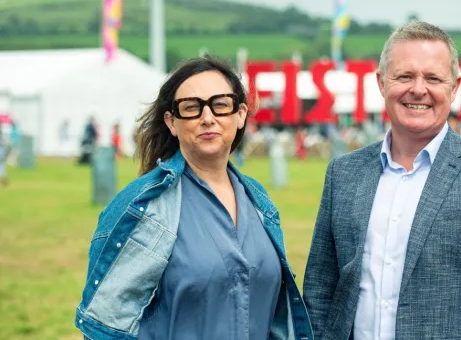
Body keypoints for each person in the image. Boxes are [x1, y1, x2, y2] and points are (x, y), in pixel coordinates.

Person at [303, 20, 461, 340]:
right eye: (404, 76)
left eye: (433, 77)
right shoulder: (343, 174)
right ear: (381, 82)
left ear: (454, 87)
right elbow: (320, 289)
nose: (418, 89)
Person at [75, 56, 313, 340]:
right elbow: (104, 325)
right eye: (191, 108)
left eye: (220, 104)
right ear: (172, 122)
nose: (207, 117)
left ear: (240, 115)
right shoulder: (141, 205)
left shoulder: (258, 201)